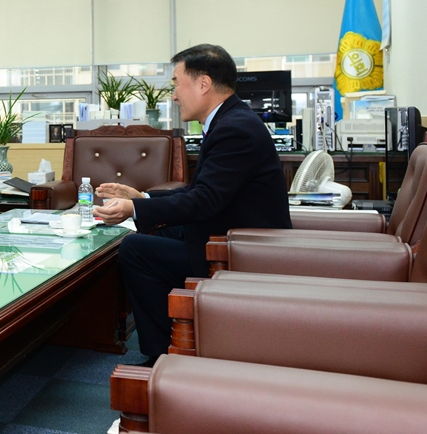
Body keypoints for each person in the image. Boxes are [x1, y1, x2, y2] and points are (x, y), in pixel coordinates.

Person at [93, 43, 290, 365]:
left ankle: (165, 356)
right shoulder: (231, 121)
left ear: (203, 84)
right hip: (224, 234)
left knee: (134, 250)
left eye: (175, 84)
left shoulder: (234, 130)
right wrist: (141, 198)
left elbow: (205, 200)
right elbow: (202, 191)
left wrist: (135, 211)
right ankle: (177, 336)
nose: (172, 96)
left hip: (237, 253)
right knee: (152, 235)